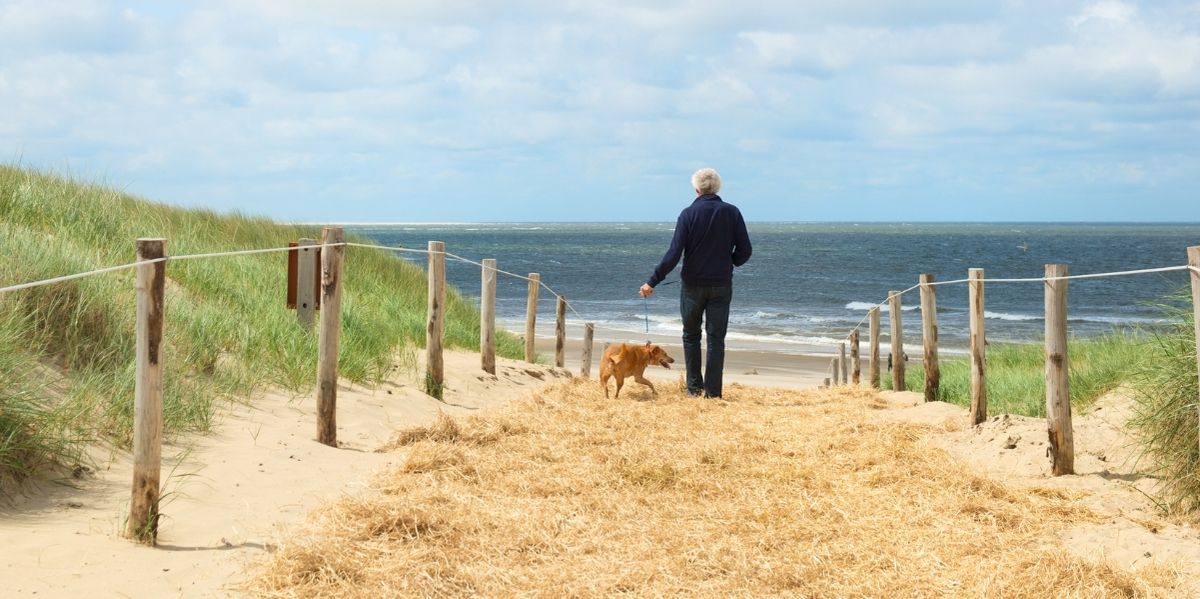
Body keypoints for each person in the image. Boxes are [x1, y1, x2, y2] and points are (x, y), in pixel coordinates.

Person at [639, 168, 752, 398]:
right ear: (717, 187)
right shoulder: (732, 212)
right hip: (721, 284)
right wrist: (730, 262)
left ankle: (694, 389)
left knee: (691, 336)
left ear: (696, 189)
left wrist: (652, 282)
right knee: (716, 339)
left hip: (692, 286)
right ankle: (713, 393)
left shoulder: (688, 214)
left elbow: (674, 254)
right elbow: (745, 250)